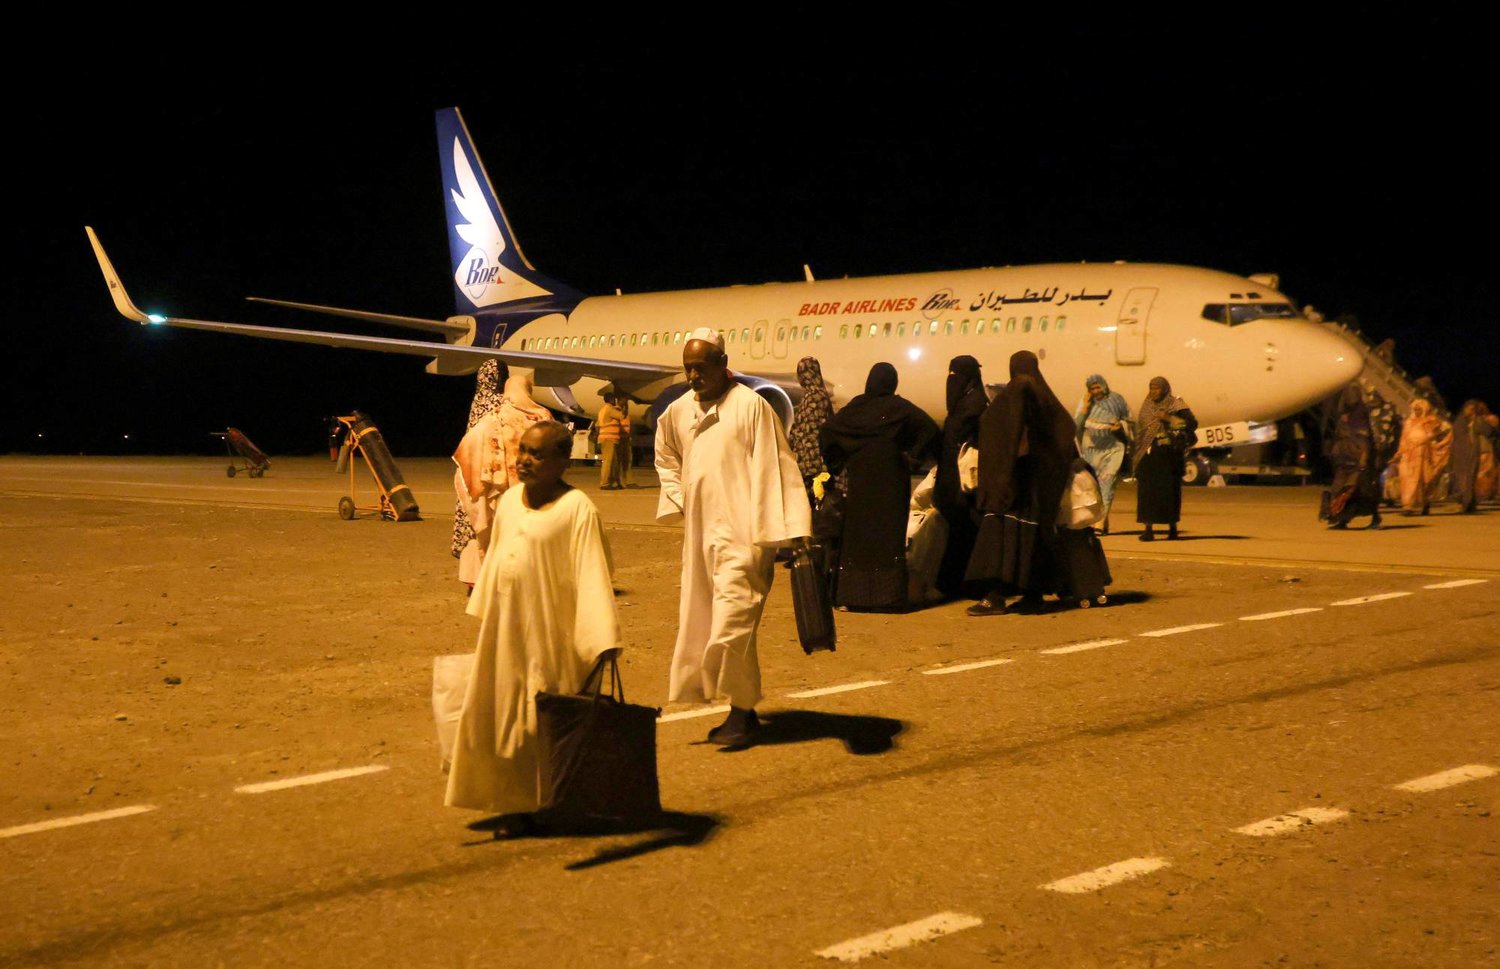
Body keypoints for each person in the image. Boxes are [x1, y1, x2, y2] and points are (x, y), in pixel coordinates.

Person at [445, 422, 621, 832]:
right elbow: (499, 559)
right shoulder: (508, 503)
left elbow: (594, 575)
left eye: (536, 454)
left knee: (539, 716)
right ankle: (515, 798)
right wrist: (488, 613)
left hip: (549, 634)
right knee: (505, 713)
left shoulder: (577, 510)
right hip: (506, 633)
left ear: (562, 461)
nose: (523, 460)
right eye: (522, 450)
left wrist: (602, 639)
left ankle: (544, 801)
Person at [655, 328, 811, 748]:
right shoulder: (678, 411)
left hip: (745, 537)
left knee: (734, 621)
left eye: (701, 368)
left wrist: (793, 530)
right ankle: (741, 711)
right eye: (687, 368)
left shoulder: (751, 407)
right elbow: (665, 456)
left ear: (723, 364)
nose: (693, 376)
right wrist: (682, 495)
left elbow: (779, 466)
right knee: (707, 620)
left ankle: (739, 710)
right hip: (701, 537)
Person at [818, 362, 939, 612]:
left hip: (860, 482)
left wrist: (838, 463)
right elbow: (929, 429)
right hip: (890, 483)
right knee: (886, 537)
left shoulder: (856, 408)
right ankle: (888, 597)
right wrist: (912, 456)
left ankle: (853, 597)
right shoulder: (899, 408)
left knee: (858, 539)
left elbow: (828, 432)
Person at [965, 350, 1078, 615]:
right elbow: (1065, 432)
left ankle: (994, 598)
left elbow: (1004, 436)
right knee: (1032, 541)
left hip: (1010, 488)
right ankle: (1033, 595)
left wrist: (1001, 476)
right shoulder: (1046, 399)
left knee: (998, 543)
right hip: (1036, 491)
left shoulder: (1015, 393)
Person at [932, 355, 989, 598]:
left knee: (963, 534)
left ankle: (961, 584)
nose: (951, 381)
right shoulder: (967, 402)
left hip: (964, 484)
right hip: (957, 483)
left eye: (956, 376)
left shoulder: (972, 407)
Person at [451, 360, 509, 586]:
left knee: (472, 520)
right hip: (489, 471)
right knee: (488, 521)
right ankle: (486, 576)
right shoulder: (499, 403)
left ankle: (471, 577)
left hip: (468, 469)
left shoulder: (478, 399)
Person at [1133, 376, 1198, 541]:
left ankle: (1172, 528)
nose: (1153, 392)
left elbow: (1191, 424)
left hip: (1169, 456)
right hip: (1149, 457)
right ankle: (1148, 529)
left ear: (1165, 389)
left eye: (1157, 388)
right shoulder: (1146, 406)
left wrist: (1169, 419)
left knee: (1169, 493)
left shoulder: (1176, 404)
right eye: (1151, 388)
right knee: (1147, 494)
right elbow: (1141, 431)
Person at [1073, 373, 1131, 535]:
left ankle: (1099, 524)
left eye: (1098, 387)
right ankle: (1101, 520)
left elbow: (1130, 421)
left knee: (1107, 487)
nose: (1096, 391)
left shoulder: (1117, 400)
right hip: (1091, 452)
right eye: (1093, 389)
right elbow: (1076, 427)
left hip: (1113, 451)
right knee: (1094, 489)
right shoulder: (1086, 403)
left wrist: (1120, 427)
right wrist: (1085, 408)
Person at [1323, 384, 1383, 529]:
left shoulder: (1360, 415)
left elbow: (1365, 441)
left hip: (1358, 461)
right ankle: (1342, 519)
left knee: (1363, 491)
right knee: (1339, 490)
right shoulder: (1345, 417)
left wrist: (1363, 461)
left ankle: (1375, 518)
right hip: (1344, 460)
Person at [788, 356, 835, 500]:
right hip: (813, 463)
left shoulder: (813, 397)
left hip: (810, 464)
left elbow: (807, 433)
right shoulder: (818, 395)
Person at [1395, 397, 1451, 515]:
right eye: (1415, 409)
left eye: (1419, 409)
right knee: (1406, 477)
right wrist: (1399, 452)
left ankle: (1418, 504)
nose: (1417, 411)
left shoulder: (1430, 421)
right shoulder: (1409, 422)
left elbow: (1446, 430)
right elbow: (1403, 438)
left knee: (1421, 479)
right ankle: (1408, 504)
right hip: (1408, 453)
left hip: (1422, 453)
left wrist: (1432, 439)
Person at [1449, 399, 1496, 513]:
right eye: (1468, 408)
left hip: (1472, 453)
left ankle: (1467, 505)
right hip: (1460, 454)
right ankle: (1470, 504)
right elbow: (1457, 437)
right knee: (1462, 480)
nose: (1470, 411)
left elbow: (1488, 431)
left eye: (1472, 409)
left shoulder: (1477, 421)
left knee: (1470, 479)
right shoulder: (1459, 421)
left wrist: (1477, 421)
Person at [596, 393, 632, 490]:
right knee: (608, 462)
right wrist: (626, 405)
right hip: (609, 439)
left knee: (610, 462)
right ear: (611, 399)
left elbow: (597, 425)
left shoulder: (602, 410)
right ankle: (605, 483)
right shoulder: (609, 409)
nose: (615, 401)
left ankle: (609, 482)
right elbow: (622, 416)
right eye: (614, 399)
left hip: (605, 438)